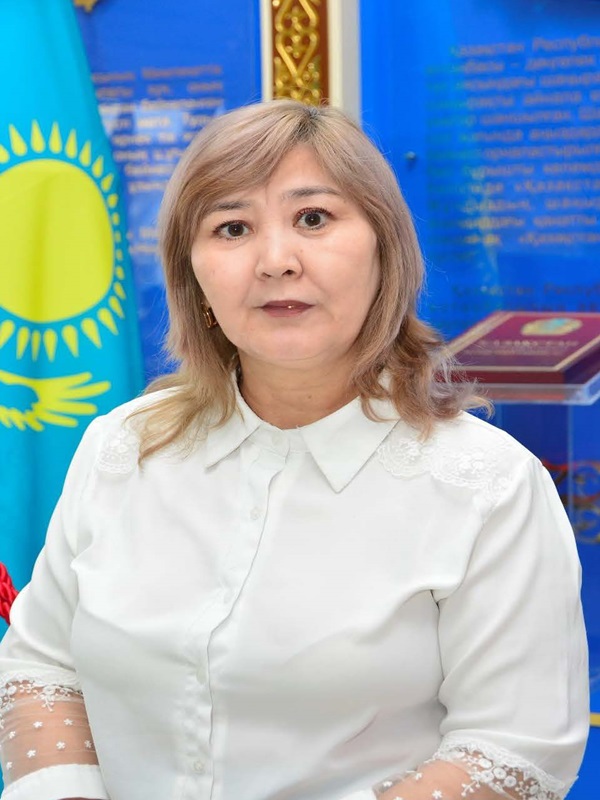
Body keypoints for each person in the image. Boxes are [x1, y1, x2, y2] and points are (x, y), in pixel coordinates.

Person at [0, 99, 589, 800]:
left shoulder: (489, 486)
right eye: (232, 227)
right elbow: (42, 663)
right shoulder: (124, 446)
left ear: (384, 248)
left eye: (313, 218)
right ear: (194, 276)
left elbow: (511, 753)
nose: (276, 261)